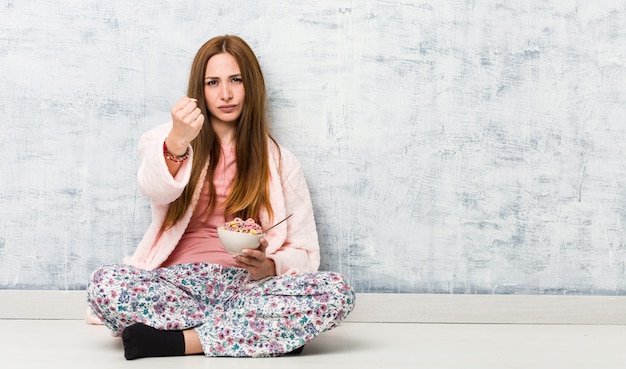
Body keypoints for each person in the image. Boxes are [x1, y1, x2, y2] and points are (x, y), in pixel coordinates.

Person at [86, 34, 355, 360]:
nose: (225, 94)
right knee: (105, 283)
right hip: (177, 285)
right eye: (213, 82)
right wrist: (177, 143)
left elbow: (305, 252)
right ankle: (265, 334)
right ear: (200, 90)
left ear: (251, 86)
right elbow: (154, 188)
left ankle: (178, 342)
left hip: (246, 288)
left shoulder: (282, 161)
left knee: (338, 291)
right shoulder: (166, 140)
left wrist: (268, 267)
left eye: (236, 80)